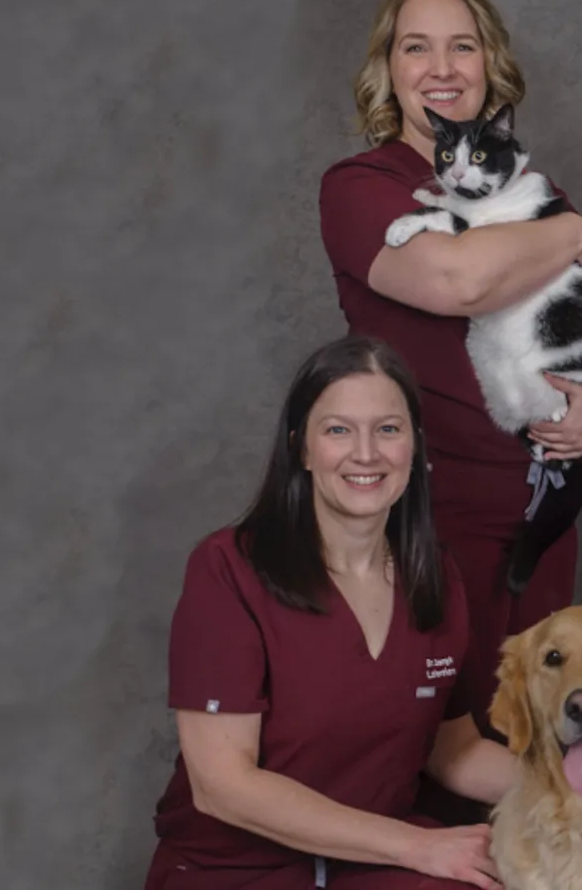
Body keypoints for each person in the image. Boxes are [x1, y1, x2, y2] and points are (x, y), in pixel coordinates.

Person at [316, 0, 582, 823]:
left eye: (462, 45)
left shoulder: (530, 192)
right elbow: (458, 281)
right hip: (424, 523)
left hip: (543, 518)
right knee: (424, 750)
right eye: (417, 47)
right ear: (387, 68)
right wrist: (570, 235)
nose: (442, 67)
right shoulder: (362, 186)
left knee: (539, 743)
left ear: (490, 65)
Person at [142, 336, 516, 890]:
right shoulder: (228, 570)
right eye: (338, 430)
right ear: (302, 449)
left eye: (388, 429)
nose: (366, 453)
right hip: (236, 871)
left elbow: (453, 751)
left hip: (366, 866)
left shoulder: (434, 576)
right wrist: (418, 846)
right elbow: (222, 786)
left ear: (415, 446)